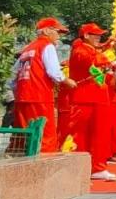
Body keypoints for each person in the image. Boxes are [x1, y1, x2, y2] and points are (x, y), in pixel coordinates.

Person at [11, 18, 76, 153]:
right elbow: (54, 72)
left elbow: (14, 75)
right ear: (46, 31)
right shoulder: (46, 45)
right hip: (40, 97)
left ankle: (19, 162)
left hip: (22, 98)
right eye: (58, 32)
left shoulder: (28, 48)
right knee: (45, 135)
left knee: (22, 136)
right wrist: (67, 81)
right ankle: (45, 165)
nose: (59, 36)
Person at [67, 23, 116, 181]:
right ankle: (77, 168)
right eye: (94, 34)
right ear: (86, 36)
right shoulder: (80, 50)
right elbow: (94, 61)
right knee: (80, 136)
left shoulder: (93, 50)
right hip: (84, 100)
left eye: (99, 35)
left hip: (98, 98)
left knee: (100, 135)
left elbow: (101, 69)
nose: (98, 37)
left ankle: (98, 167)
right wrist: (111, 52)